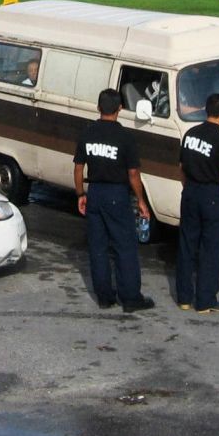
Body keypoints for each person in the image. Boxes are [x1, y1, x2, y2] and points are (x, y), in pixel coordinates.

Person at [72, 88, 154, 312]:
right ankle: (130, 298)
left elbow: (79, 168)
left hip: (95, 192)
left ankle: (105, 297)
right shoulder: (125, 137)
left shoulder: (87, 133)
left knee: (98, 247)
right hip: (117, 194)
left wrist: (81, 194)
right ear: (120, 109)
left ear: (98, 108)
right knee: (124, 246)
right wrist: (141, 201)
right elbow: (133, 174)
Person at [175, 92, 219, 314]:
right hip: (211, 196)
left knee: (186, 245)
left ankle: (183, 297)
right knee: (210, 250)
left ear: (206, 109)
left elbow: (181, 167)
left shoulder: (190, 134)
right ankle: (205, 300)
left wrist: (188, 188)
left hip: (191, 192)